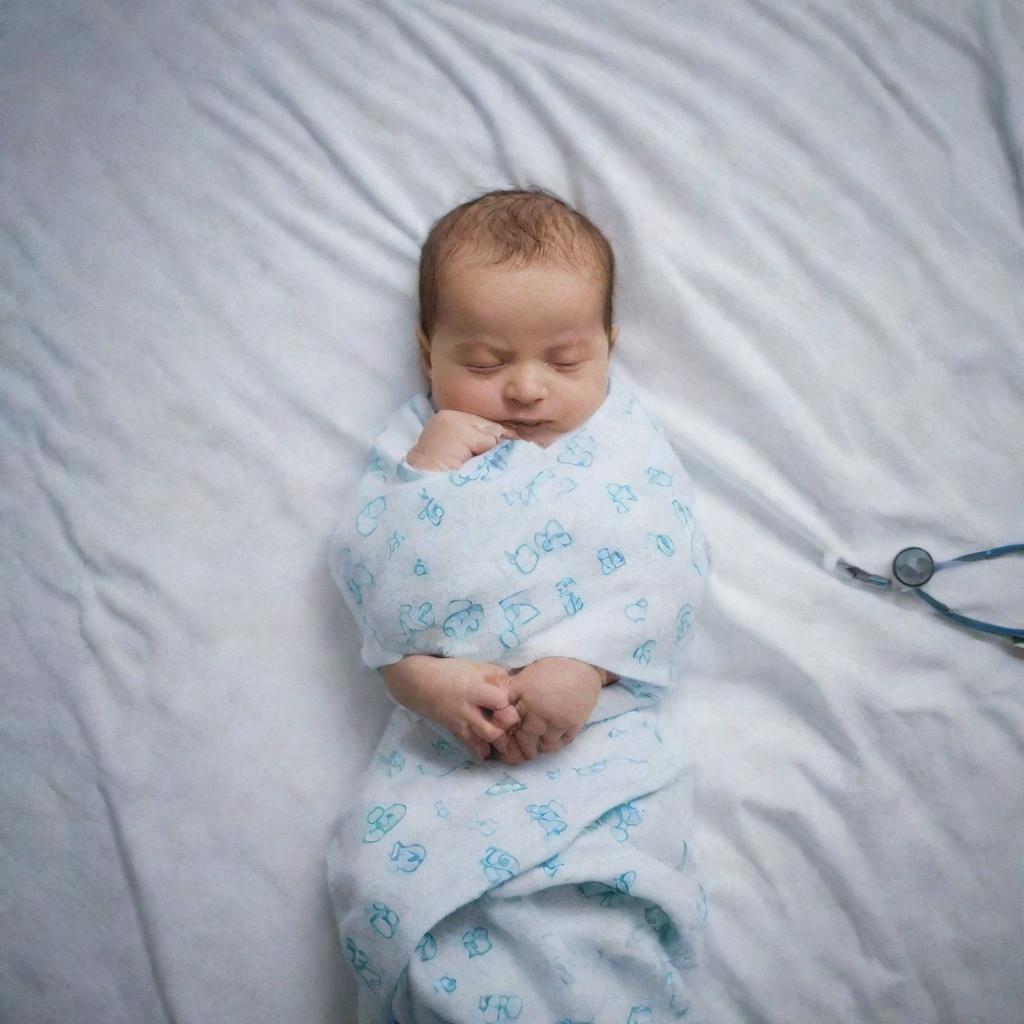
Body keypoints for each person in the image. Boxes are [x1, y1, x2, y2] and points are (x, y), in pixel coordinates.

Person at [378, 186, 624, 767]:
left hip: (597, 737)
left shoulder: (623, 443)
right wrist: (425, 473)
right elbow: (367, 569)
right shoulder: (415, 440)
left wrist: (589, 664)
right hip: (445, 726)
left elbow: (667, 571)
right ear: (427, 355)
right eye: (485, 363)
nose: (526, 390)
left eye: (565, 362)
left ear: (608, 350)